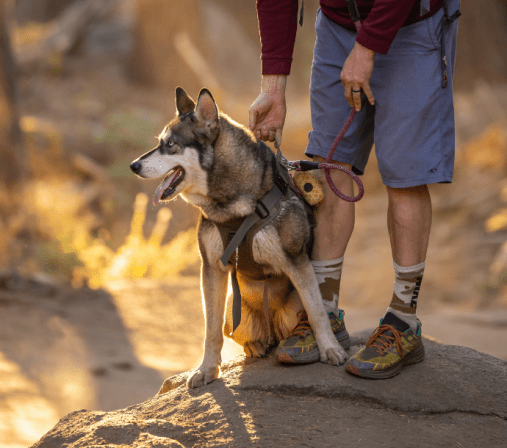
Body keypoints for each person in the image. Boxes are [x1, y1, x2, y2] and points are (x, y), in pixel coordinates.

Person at [249, 0, 460, 378]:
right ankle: (324, 312)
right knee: (328, 169)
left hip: (413, 25)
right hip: (338, 24)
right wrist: (273, 87)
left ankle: (403, 321)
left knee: (405, 176)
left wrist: (367, 49)